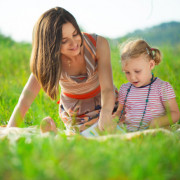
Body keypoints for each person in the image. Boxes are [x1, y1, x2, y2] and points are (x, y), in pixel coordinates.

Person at [7, 7, 118, 135]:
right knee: (84, 137)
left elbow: (107, 89)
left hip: (106, 102)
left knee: (116, 128)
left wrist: (105, 112)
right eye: (64, 41)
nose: (74, 43)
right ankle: (54, 133)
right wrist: (9, 131)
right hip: (77, 114)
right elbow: (26, 99)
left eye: (75, 34)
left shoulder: (97, 44)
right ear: (50, 45)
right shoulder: (49, 59)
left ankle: (57, 134)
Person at [113, 39, 180, 132]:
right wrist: (114, 120)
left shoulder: (162, 87)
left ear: (151, 65)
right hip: (131, 133)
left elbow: (175, 114)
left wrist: (157, 122)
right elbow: (120, 112)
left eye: (137, 71)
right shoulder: (125, 89)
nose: (132, 77)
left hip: (158, 131)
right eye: (127, 72)